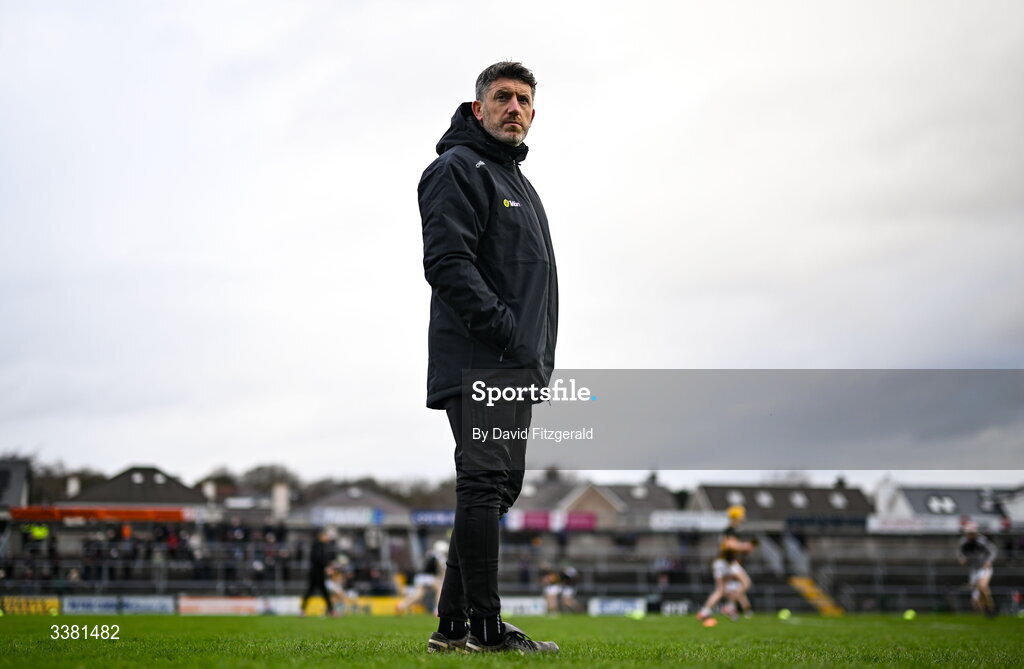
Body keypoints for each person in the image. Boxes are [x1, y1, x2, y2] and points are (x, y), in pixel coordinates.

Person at [419, 61, 558, 654]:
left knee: (498, 490)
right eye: (502, 97)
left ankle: (452, 629)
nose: (515, 108)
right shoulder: (456, 169)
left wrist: (535, 356)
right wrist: (504, 332)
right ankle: (486, 629)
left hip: (517, 365)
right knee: (482, 485)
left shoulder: (518, 183)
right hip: (483, 360)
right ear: (478, 108)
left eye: (524, 100)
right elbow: (447, 264)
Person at [696, 505, 757, 621]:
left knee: (720, 590)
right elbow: (729, 545)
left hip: (726, 563)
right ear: (737, 516)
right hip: (724, 563)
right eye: (742, 514)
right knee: (745, 582)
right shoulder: (730, 530)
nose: (743, 516)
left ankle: (704, 612)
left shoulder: (731, 530)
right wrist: (745, 546)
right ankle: (729, 606)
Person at [957, 521, 997, 617]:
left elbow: (993, 550)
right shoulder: (964, 542)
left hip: (984, 568)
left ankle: (990, 608)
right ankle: (987, 608)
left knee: (982, 586)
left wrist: (988, 561)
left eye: (972, 533)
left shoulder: (981, 541)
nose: (971, 535)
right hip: (974, 570)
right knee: (976, 598)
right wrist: (962, 559)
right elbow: (960, 553)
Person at [300, 529, 335, 616]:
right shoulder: (318, 545)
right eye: (326, 536)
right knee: (321, 592)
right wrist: (326, 567)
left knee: (316, 592)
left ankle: (303, 610)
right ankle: (331, 610)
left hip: (317, 573)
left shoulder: (321, 546)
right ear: (321, 536)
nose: (327, 538)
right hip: (316, 573)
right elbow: (318, 559)